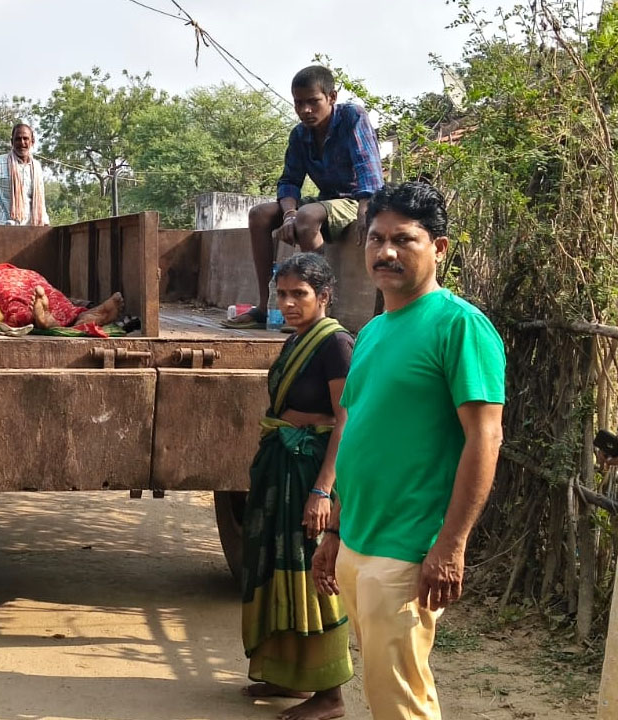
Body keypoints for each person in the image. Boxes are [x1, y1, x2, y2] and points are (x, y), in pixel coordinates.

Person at [312, 182, 505, 720]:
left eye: (404, 239)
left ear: (439, 248)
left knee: (398, 701)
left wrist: (450, 546)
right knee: (389, 691)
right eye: (376, 239)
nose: (386, 252)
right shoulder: (373, 331)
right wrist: (335, 531)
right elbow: (358, 431)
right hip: (359, 541)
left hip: (407, 547)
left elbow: (485, 438)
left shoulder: (460, 327)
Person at [238, 252, 353, 720]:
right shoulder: (296, 338)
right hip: (282, 464)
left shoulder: (335, 344)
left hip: (309, 472)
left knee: (310, 574)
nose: (288, 303)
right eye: (282, 294)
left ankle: (329, 695)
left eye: (299, 294)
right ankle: (283, 671)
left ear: (323, 296)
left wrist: (323, 490)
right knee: (273, 562)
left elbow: (346, 420)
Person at [226, 65, 383, 330]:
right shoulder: (299, 135)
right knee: (260, 214)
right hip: (327, 200)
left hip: (356, 199)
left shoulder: (352, 117)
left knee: (308, 217)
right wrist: (288, 214)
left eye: (313, 102)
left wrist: (367, 206)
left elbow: (369, 170)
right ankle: (265, 307)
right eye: (299, 103)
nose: (306, 110)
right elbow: (289, 182)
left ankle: (316, 312)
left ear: (331, 97)